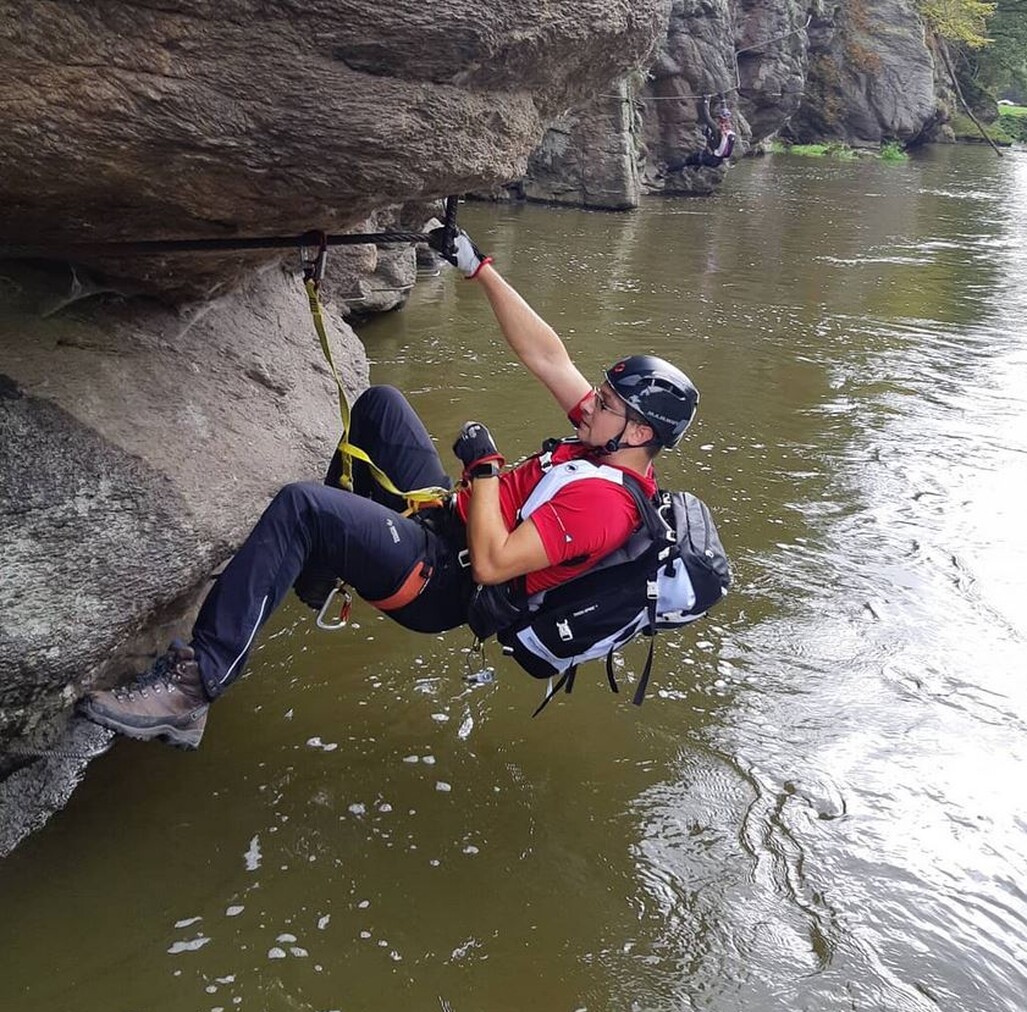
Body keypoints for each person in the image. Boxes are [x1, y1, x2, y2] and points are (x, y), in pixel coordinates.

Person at [77, 229, 700, 749]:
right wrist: (479, 269)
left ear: (639, 431)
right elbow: (549, 358)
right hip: (448, 524)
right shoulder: (602, 442)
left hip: (445, 581)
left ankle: (197, 687)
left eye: (610, 402)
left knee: (302, 508)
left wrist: (485, 471)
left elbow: (491, 565)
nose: (594, 402)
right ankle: (317, 570)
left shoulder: (603, 503)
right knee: (380, 406)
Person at [667, 96, 736, 172]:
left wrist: (705, 101)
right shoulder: (729, 133)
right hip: (716, 160)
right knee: (692, 159)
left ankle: (666, 171)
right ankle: (696, 165)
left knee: (687, 161)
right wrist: (723, 100)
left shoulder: (717, 132)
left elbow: (707, 118)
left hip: (711, 159)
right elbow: (726, 115)